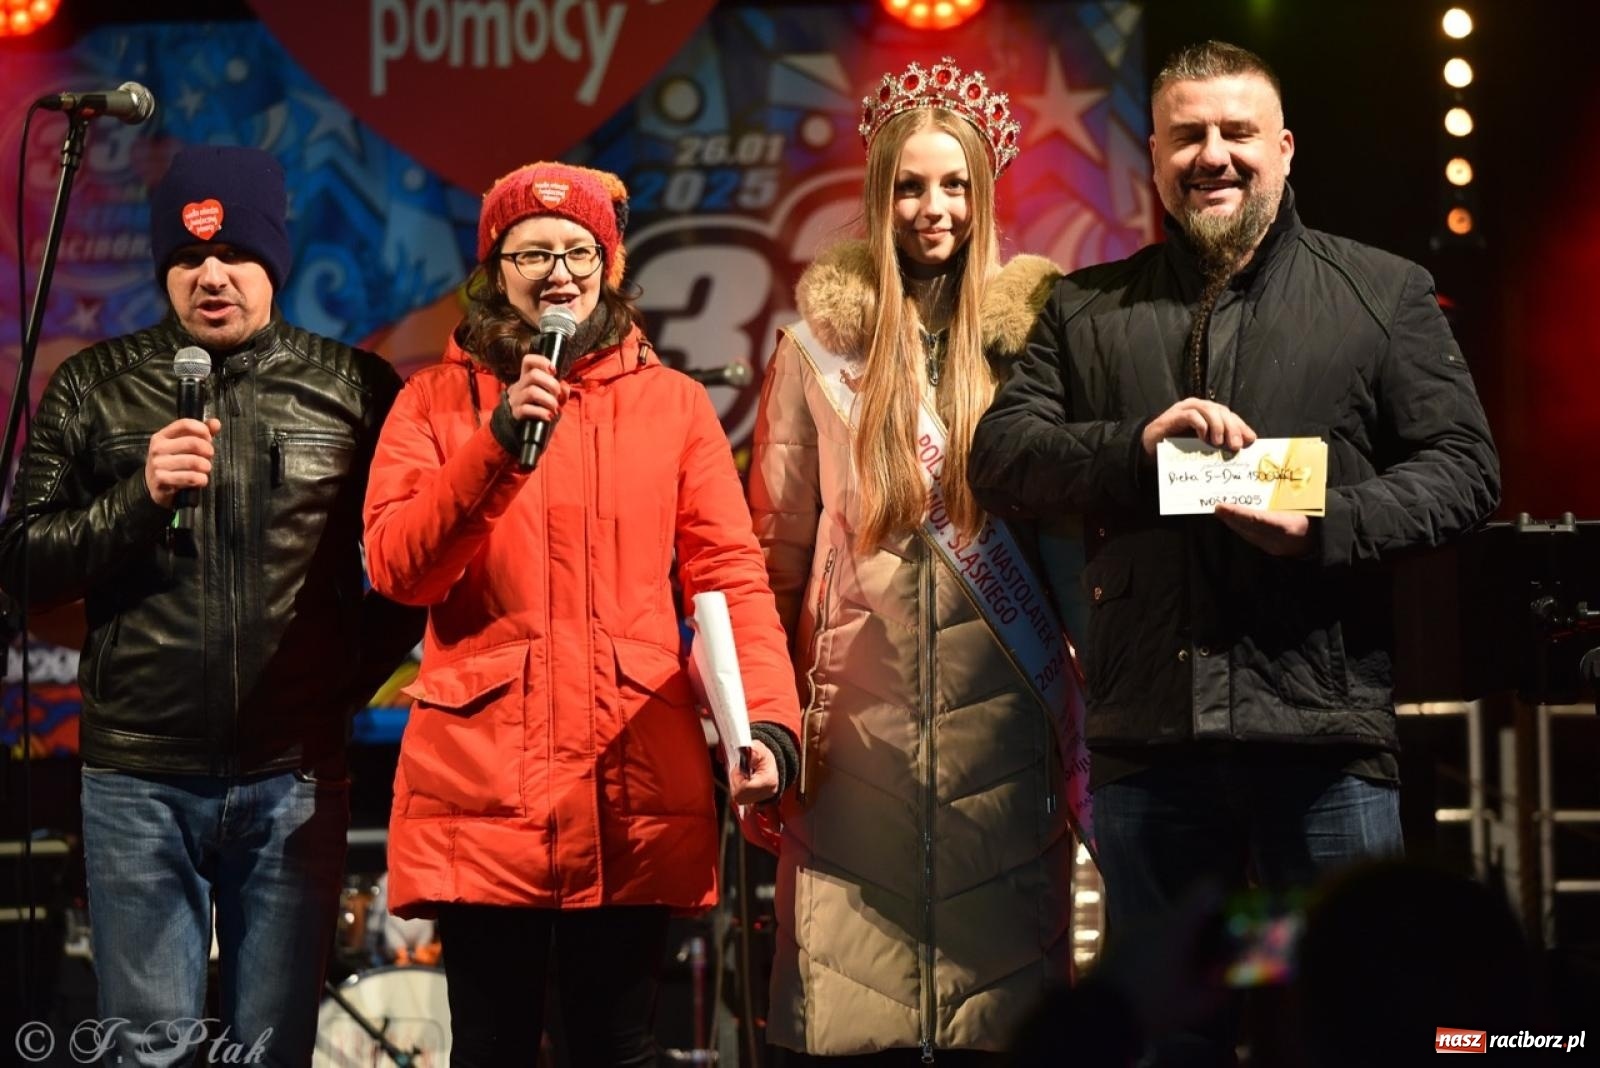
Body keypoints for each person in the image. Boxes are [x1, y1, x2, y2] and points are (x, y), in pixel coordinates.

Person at [967, 40, 1500, 1066]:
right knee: (1175, 1038)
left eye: (1237, 133)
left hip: (1323, 748)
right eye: (1188, 136)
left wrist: (1324, 524)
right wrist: (1133, 446)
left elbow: (1465, 468)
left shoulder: (1381, 293)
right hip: (1151, 756)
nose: (1213, 155)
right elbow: (1004, 458)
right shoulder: (1082, 309)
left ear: (1285, 149)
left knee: (1354, 1024)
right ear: (1154, 162)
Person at [361, 160, 803, 1068]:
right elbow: (398, 568)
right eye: (531, 252)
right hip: (483, 784)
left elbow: (730, 577)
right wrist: (495, 446)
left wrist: (763, 721)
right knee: (490, 1046)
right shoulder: (431, 401)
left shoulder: (675, 406)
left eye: (578, 249)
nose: (558, 271)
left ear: (610, 262)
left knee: (621, 1045)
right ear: (493, 269)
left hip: (630, 777)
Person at [0, 145, 422, 1066]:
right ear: (165, 271)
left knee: (274, 1052)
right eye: (188, 260)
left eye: (233, 254)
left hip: (292, 781)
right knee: (148, 1052)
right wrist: (137, 498)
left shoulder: (354, 389)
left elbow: (409, 576)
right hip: (137, 781)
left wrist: (331, 697)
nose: (211, 276)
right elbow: (21, 567)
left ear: (273, 260)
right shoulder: (93, 387)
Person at [748, 58, 1071, 1063]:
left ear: (983, 192)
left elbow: (1072, 552)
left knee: (1005, 1028)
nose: (933, 210)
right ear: (879, 192)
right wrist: (768, 721)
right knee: (852, 1028)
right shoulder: (814, 357)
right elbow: (774, 563)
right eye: (910, 185)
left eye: (954, 185)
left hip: (1005, 747)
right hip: (856, 745)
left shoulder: (1042, 345)